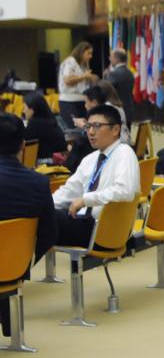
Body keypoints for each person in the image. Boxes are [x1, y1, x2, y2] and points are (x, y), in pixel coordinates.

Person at [0, 113, 57, 337]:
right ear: (23, 146)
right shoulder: (40, 183)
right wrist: (23, 264)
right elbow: (49, 235)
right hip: (15, 268)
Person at [53, 104, 139, 250]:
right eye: (88, 126)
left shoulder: (124, 153)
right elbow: (69, 190)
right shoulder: (90, 159)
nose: (91, 132)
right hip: (83, 223)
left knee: (46, 222)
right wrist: (45, 205)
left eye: (97, 126)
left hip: (104, 229)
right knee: (40, 215)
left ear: (116, 129)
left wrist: (86, 199)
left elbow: (125, 191)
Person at [58, 41, 99, 128]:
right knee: (74, 129)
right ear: (81, 52)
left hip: (81, 101)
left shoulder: (84, 64)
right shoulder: (70, 61)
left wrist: (91, 78)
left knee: (85, 128)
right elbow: (67, 80)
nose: (90, 56)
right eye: (88, 53)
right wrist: (85, 76)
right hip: (69, 102)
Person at [22, 91, 67, 164]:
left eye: (24, 107)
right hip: (60, 161)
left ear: (32, 110)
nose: (23, 111)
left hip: (45, 164)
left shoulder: (34, 124)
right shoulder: (51, 119)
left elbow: (24, 144)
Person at [104, 48, 135, 131]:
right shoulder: (130, 72)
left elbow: (105, 89)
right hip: (128, 112)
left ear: (117, 59)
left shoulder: (114, 74)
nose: (110, 59)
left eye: (111, 57)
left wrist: (105, 76)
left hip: (117, 113)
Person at [96, 80, 131, 144]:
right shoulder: (116, 105)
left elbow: (101, 127)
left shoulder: (107, 106)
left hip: (118, 142)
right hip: (124, 138)